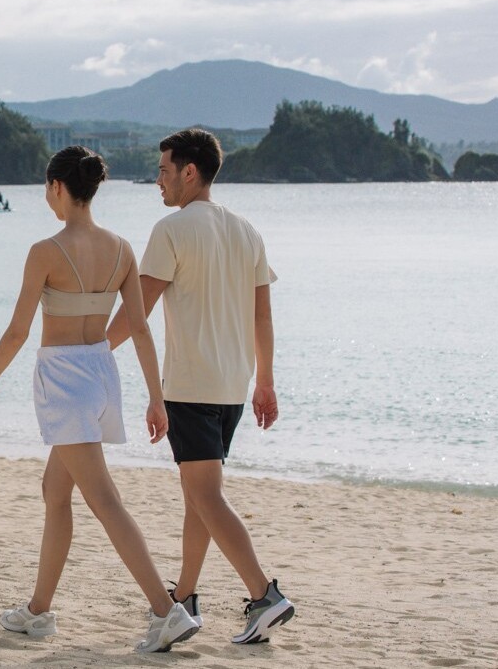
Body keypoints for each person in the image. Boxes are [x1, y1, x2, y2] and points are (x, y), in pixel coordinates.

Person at [0, 145, 201, 653]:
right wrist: (155, 397)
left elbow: (17, 331)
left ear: (57, 187)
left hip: (64, 382)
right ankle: (38, 611)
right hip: (101, 376)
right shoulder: (121, 249)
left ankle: (167, 613)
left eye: (46, 189)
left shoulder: (45, 251)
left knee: (104, 500)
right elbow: (140, 329)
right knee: (55, 490)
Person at [106, 128, 295, 645]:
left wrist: (94, 353)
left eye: (163, 170)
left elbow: (139, 309)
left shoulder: (171, 229)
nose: (158, 181)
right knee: (198, 497)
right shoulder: (247, 231)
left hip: (190, 388)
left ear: (190, 172)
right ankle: (185, 599)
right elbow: (262, 316)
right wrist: (265, 381)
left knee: (206, 496)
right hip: (232, 388)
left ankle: (264, 595)